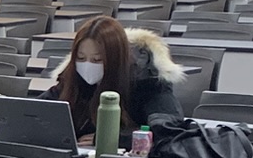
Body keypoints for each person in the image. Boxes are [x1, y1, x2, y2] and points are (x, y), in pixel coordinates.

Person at [49, 15, 185, 141]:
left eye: (97, 60)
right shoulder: (73, 77)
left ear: (116, 58)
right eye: (81, 58)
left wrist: (113, 139)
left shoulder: (149, 81)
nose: (87, 65)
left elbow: (169, 131)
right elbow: (41, 108)